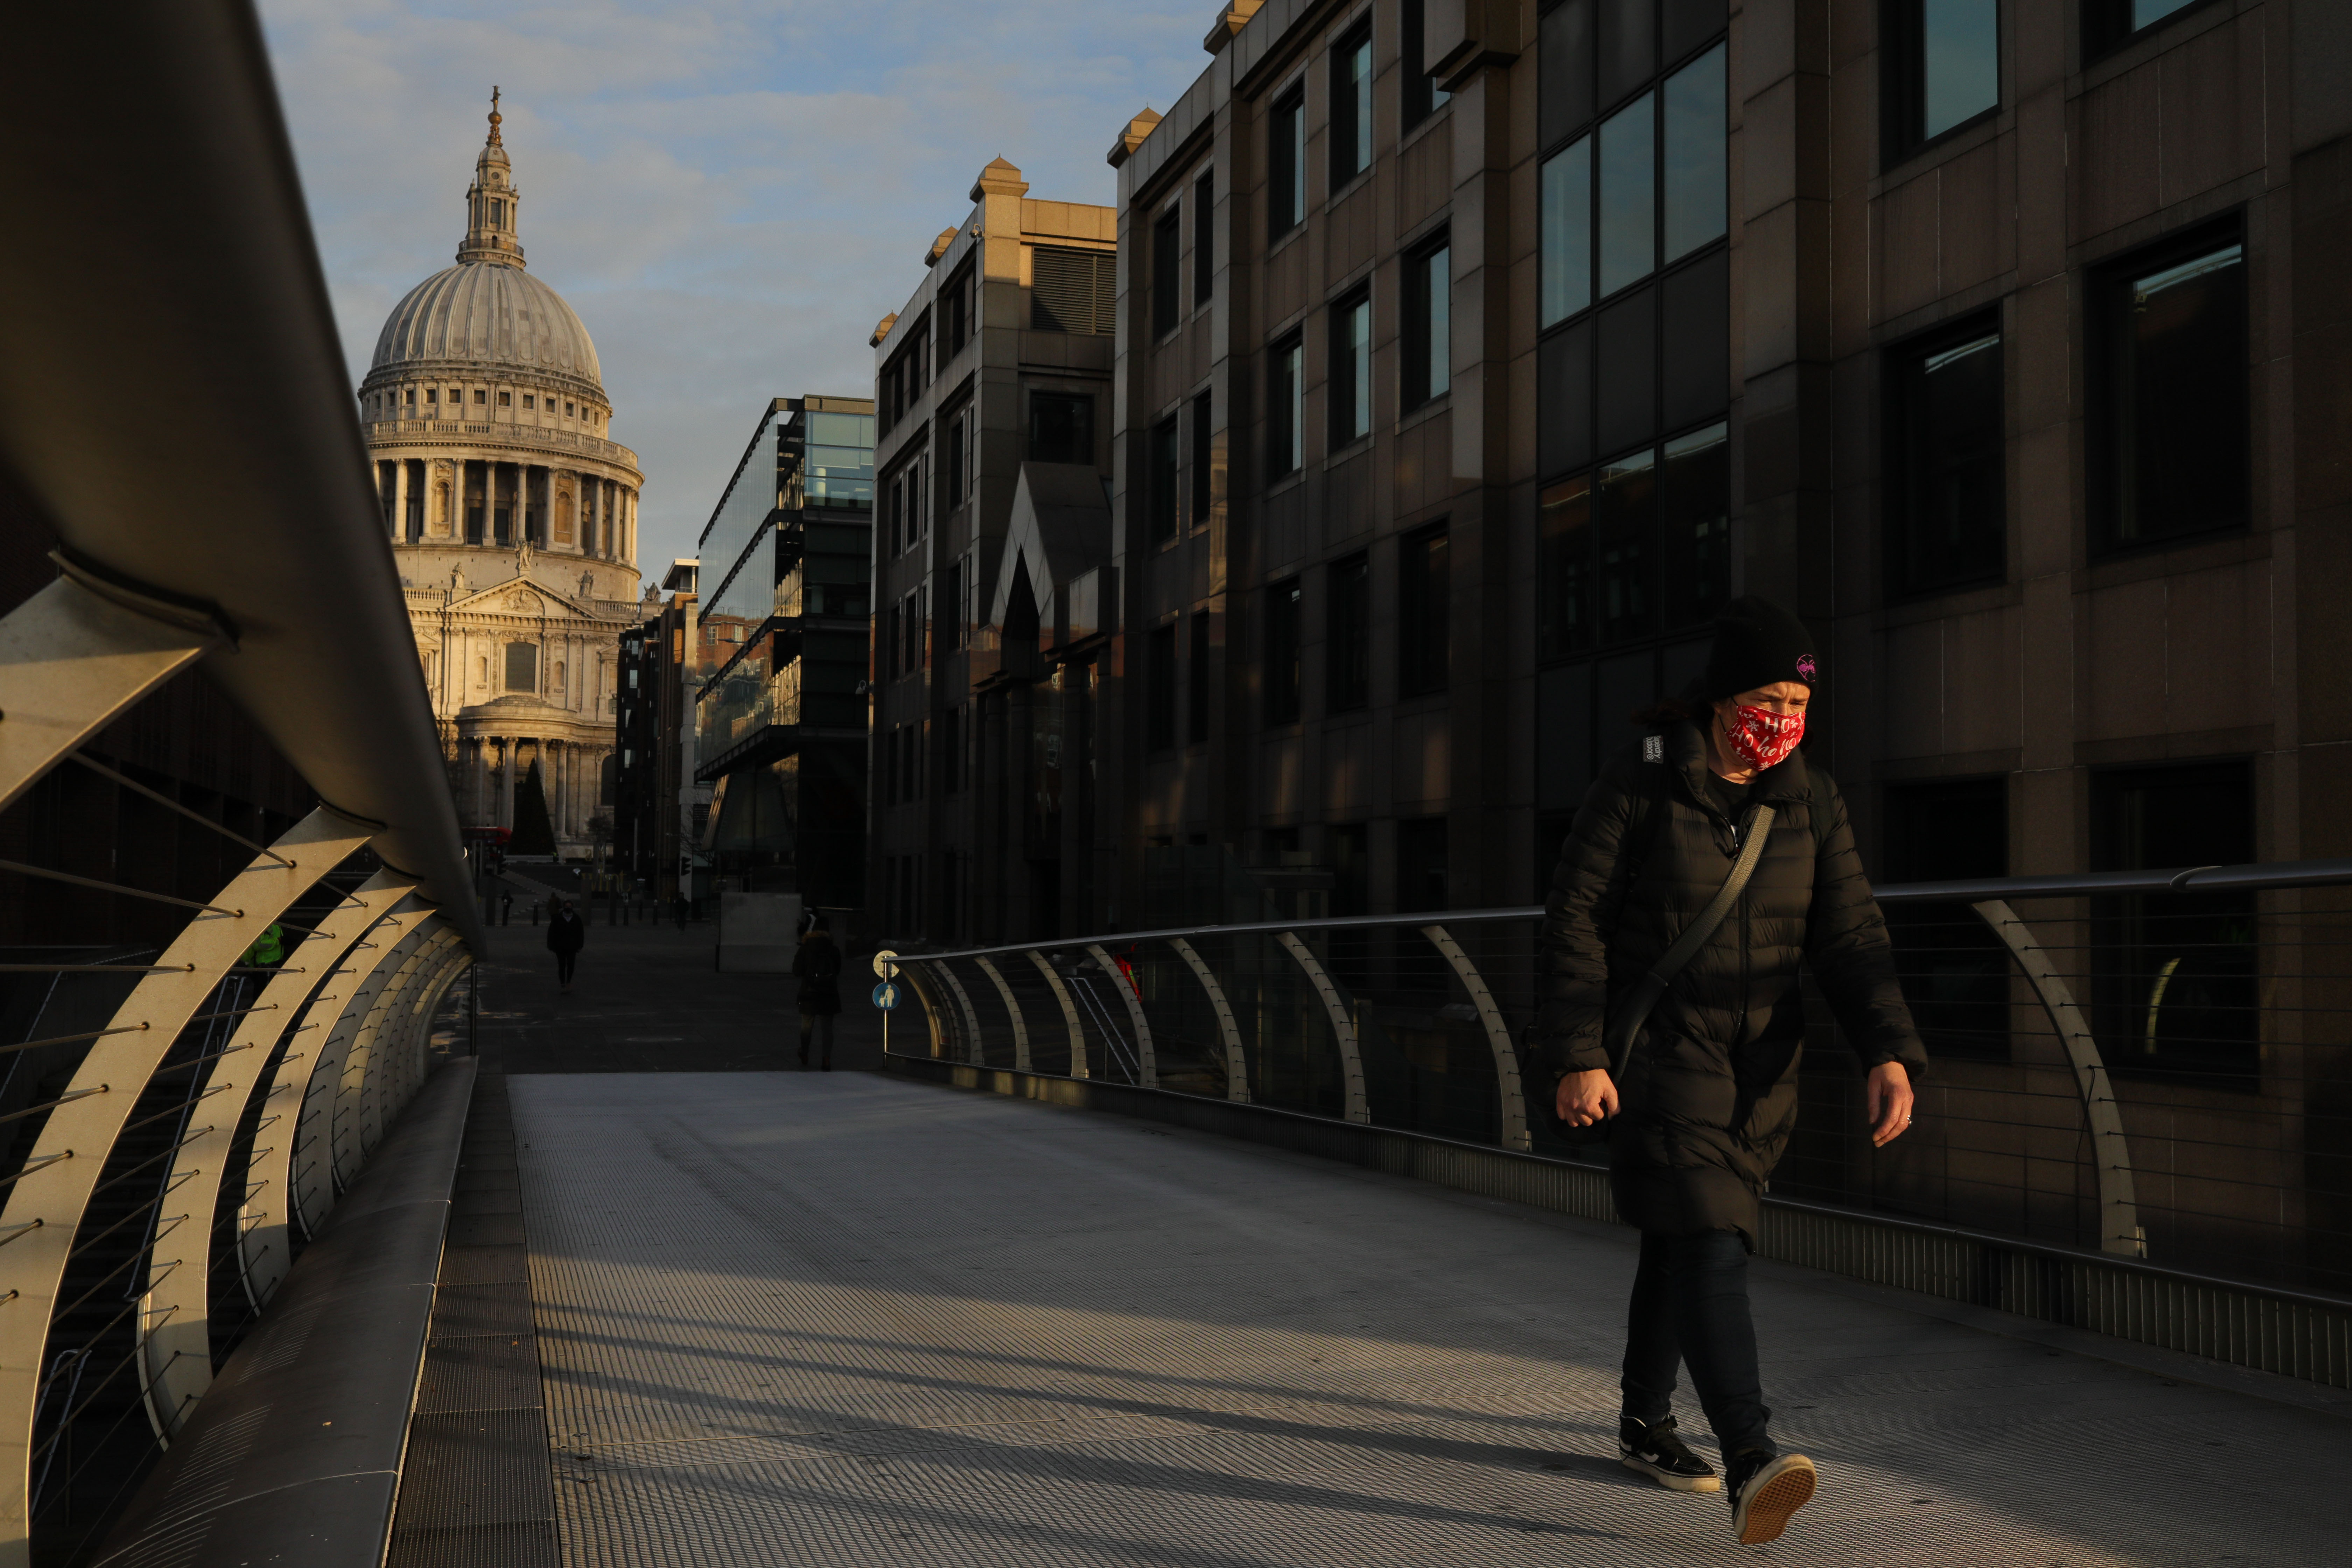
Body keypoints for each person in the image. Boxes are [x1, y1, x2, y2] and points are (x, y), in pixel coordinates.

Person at [1536, 595, 1927, 1546]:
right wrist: (1580, 1055)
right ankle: (1754, 1457)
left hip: (1761, 1070)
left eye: (1796, 707)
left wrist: (1888, 1048)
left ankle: (1643, 1422)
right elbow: (1574, 921)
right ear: (1715, 700)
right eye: (1763, 701)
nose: (1780, 725)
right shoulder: (1641, 785)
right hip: (1662, 1057)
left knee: (1681, 1239)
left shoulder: (1812, 798)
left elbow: (1852, 935)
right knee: (1712, 1235)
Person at [792, 914, 842, 1070]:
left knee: (807, 1026)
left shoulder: (805, 948)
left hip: (809, 992)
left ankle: (805, 1053)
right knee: (827, 1028)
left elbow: (797, 971)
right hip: (829, 993)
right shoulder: (833, 949)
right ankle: (826, 1058)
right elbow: (838, 971)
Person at [546, 896, 585, 992]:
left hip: (572, 947)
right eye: (567, 906)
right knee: (562, 966)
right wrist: (551, 945)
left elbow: (580, 933)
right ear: (564, 907)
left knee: (571, 966)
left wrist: (580, 946)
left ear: (572, 907)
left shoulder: (576, 919)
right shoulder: (558, 918)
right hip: (560, 947)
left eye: (570, 906)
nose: (568, 908)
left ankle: (568, 982)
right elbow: (551, 932)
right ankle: (563, 984)